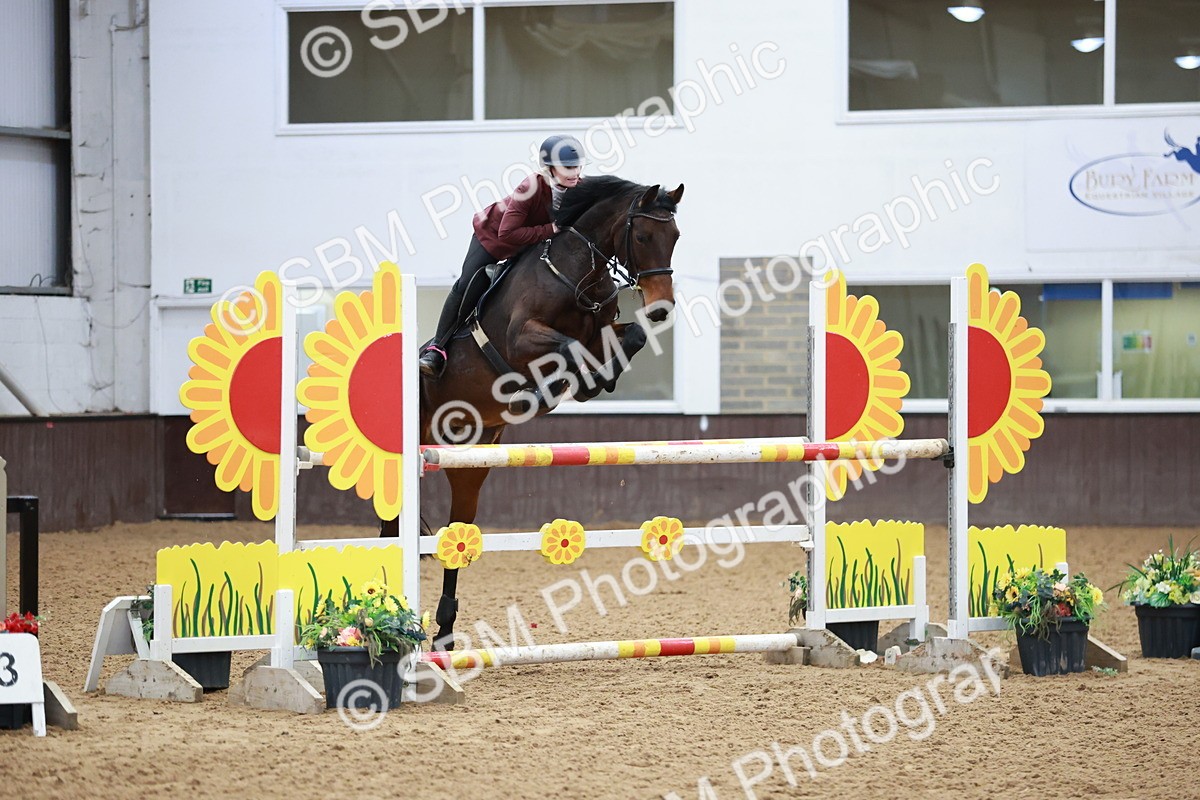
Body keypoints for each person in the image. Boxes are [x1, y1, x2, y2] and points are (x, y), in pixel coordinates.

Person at [418, 134, 586, 378]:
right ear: (549, 168)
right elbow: (507, 232)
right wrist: (550, 230)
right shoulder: (531, 186)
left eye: (578, 166)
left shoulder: (581, 189)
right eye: (569, 167)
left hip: (528, 247)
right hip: (493, 237)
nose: (575, 173)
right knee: (467, 285)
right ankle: (436, 349)